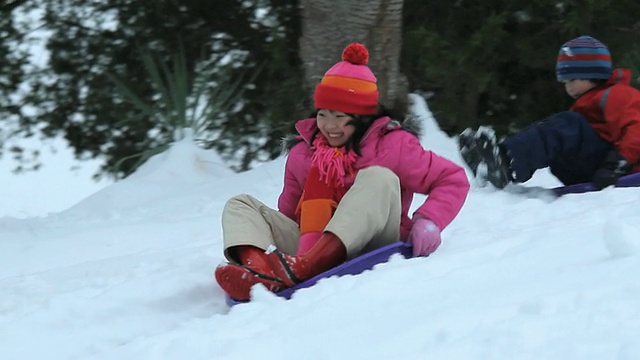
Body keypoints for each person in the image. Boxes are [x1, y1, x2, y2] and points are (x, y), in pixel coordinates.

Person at [214, 42, 470, 301]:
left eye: (340, 117)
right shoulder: (303, 154)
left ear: (362, 117)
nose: (329, 126)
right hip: (310, 245)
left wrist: (429, 220)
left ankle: (305, 266)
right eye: (323, 115)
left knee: (378, 177)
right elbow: (290, 215)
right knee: (240, 204)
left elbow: (453, 179)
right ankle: (258, 274)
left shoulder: (393, 144)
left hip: (375, 242)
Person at [459, 35, 640, 190]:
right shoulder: (589, 102)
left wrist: (616, 164)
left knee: (564, 126)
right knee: (558, 131)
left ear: (592, 75)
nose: (567, 86)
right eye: (564, 81)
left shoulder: (617, 94)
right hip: (596, 169)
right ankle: (490, 165)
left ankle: (506, 161)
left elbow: (636, 129)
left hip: (621, 165)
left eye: (571, 79)